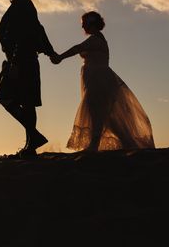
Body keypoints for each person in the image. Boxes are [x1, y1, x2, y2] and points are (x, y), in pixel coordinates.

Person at [51, 11, 155, 151]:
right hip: (98, 78)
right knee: (107, 116)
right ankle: (126, 143)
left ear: (90, 24)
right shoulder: (98, 39)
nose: (83, 28)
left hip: (99, 79)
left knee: (97, 112)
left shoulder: (95, 39)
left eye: (84, 24)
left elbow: (78, 48)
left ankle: (94, 145)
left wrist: (60, 57)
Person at [0, 0, 56, 159]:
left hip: (23, 60)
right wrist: (50, 51)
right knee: (24, 101)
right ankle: (32, 142)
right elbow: (37, 29)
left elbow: (30, 32)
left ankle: (32, 143)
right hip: (21, 59)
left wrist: (15, 61)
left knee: (13, 98)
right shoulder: (19, 5)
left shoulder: (23, 4)